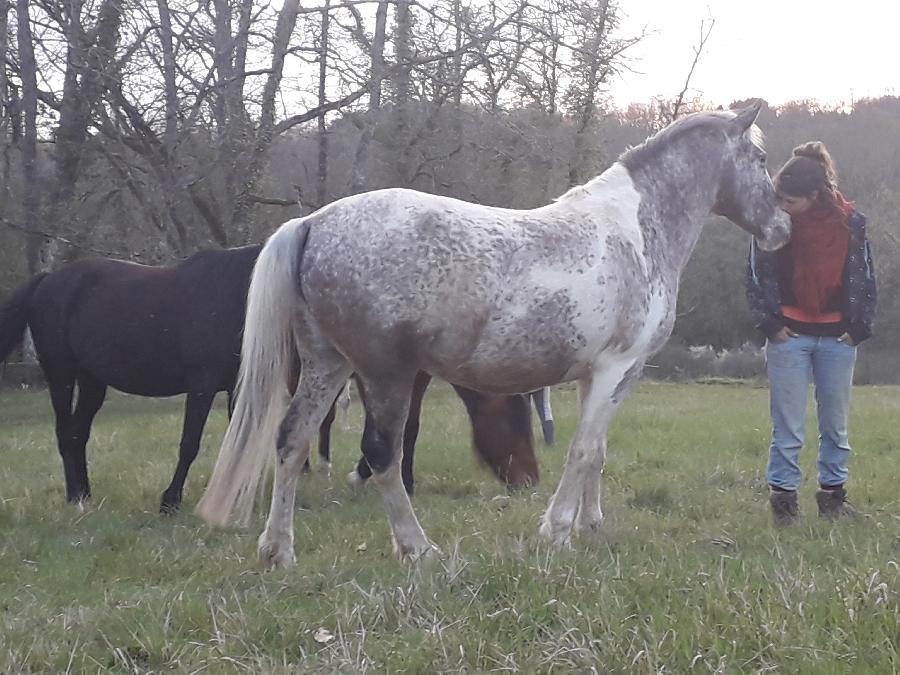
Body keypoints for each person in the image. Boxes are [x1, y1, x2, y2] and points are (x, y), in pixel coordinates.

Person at [746, 141, 876, 526]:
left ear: (815, 196)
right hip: (790, 336)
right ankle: (784, 505)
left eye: (790, 201)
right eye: (779, 198)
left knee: (835, 425)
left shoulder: (852, 223)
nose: (782, 206)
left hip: (838, 337)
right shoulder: (771, 225)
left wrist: (859, 329)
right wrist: (769, 325)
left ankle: (833, 499)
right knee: (788, 426)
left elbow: (866, 276)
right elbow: (754, 276)